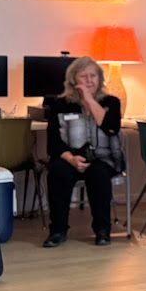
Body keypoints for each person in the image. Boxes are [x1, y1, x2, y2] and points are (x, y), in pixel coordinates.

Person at [44, 57, 123, 247]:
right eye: (84, 76)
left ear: (100, 79)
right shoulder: (60, 104)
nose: (89, 80)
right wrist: (71, 158)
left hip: (104, 157)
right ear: (73, 79)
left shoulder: (112, 102)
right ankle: (58, 230)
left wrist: (88, 99)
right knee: (58, 171)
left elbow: (111, 128)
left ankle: (102, 230)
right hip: (70, 157)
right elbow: (53, 142)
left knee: (99, 173)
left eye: (93, 76)